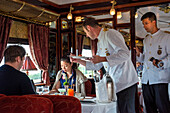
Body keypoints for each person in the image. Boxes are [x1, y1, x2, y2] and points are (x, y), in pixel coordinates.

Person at [71, 17, 139, 113]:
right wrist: (77, 60)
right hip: (115, 84)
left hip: (125, 82)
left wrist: (102, 58)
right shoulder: (100, 42)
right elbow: (97, 65)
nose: (86, 35)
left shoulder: (110, 34)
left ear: (89, 27)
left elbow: (125, 54)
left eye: (85, 32)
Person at [136, 12, 170, 113]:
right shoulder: (146, 39)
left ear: (153, 22)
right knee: (149, 108)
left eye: (146, 23)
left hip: (160, 79)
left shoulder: (166, 37)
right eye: (143, 24)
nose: (144, 26)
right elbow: (145, 60)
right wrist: (139, 55)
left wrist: (162, 63)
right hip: (146, 80)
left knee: (163, 108)